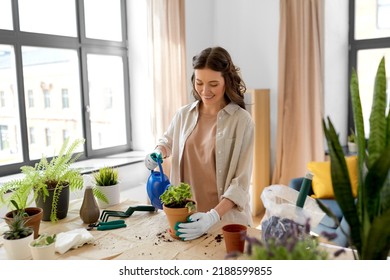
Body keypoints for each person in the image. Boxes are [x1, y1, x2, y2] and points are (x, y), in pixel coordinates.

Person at [145, 46, 254, 241]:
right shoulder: (183, 114)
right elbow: (167, 141)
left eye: (213, 84)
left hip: (224, 220)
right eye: (199, 82)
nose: (205, 91)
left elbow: (241, 183)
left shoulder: (241, 121)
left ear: (226, 81)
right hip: (185, 217)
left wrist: (212, 216)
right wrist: (158, 152)